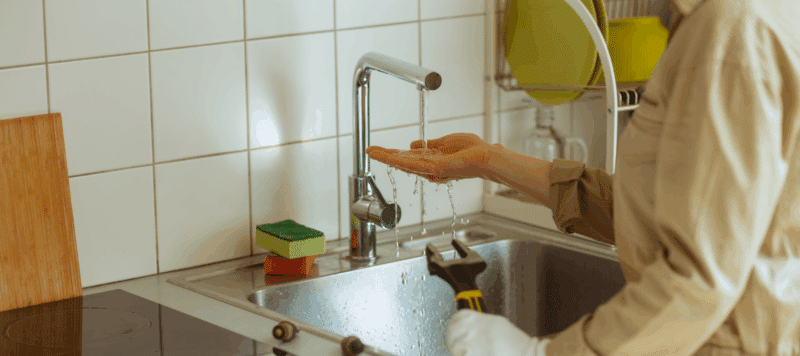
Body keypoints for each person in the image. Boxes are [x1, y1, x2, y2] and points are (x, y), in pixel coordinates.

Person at [365, 0, 800, 355]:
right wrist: (491, 160)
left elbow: (696, 279)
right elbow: (657, 211)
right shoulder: (727, 22)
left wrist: (541, 353)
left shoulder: (729, 35)